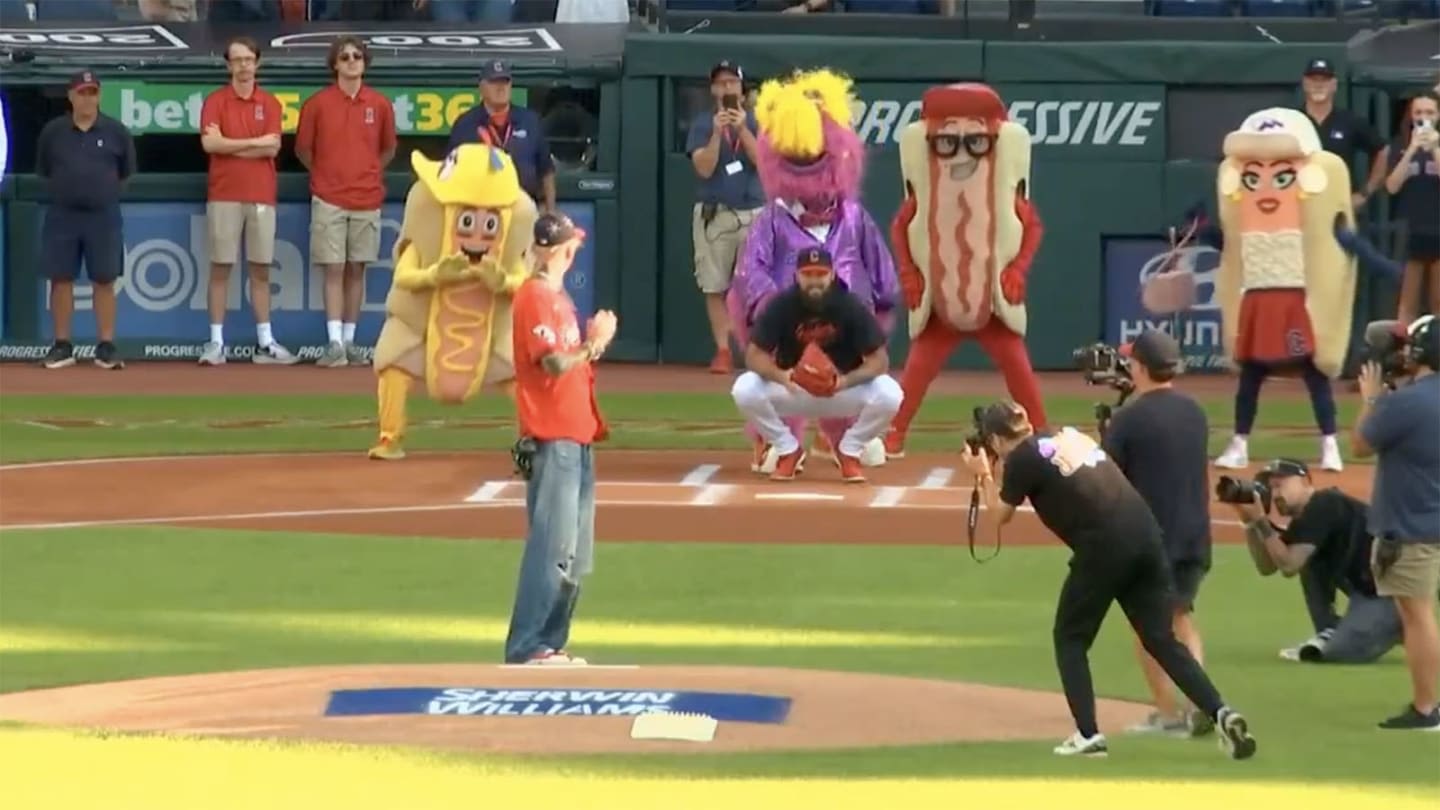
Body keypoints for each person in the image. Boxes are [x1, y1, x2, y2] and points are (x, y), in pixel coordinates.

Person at [959, 401, 1257, 760]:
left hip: (1103, 546)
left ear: (993, 438)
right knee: (1161, 638)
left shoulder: (1022, 457)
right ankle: (1221, 712)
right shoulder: (1067, 434)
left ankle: (1088, 736)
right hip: (1147, 536)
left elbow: (1000, 515)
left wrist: (982, 474)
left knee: (1070, 638)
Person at [728, 68, 897, 473]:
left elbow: (879, 264)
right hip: (789, 325)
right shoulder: (772, 218)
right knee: (773, 378)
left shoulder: (854, 216)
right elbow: (753, 268)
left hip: (846, 321)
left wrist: (881, 300)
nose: (805, 159)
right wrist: (769, 306)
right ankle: (777, 440)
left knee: (859, 375)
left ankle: (842, 439)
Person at [885, 82, 1048, 459]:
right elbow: (901, 226)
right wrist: (909, 272)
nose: (960, 150)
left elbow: (1032, 226)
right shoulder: (924, 191)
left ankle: (1042, 433)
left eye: (974, 138)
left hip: (990, 296)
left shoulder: (1005, 191)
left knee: (1017, 367)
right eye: (946, 140)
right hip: (942, 295)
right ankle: (895, 433)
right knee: (917, 371)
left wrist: (1018, 269)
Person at [503, 212, 615, 666]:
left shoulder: (558, 299)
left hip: (576, 434)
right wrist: (594, 344)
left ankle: (550, 644)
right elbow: (550, 363)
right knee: (551, 548)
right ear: (558, 250)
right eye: (571, 246)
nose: (575, 252)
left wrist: (589, 346)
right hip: (553, 438)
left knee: (573, 553)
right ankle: (528, 646)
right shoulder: (534, 297)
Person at [1099, 329, 1213, 736]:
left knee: (1148, 629)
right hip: (1194, 535)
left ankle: (1167, 714)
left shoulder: (1130, 418)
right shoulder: (1195, 411)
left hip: (1151, 540)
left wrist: (1108, 433)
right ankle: (1202, 703)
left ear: (1142, 368)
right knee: (1181, 618)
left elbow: (1108, 479)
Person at [731, 247, 902, 483]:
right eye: (808, 274)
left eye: (820, 274)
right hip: (793, 388)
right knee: (744, 388)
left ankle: (849, 451)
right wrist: (781, 376)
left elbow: (880, 360)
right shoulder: (782, 305)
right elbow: (753, 355)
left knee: (890, 393)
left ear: (831, 275)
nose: (814, 281)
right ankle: (787, 449)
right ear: (797, 275)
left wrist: (844, 381)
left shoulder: (849, 306)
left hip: (839, 391)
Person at [1351, 314, 1440, 730]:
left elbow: (1360, 444)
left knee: (1417, 616)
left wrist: (1371, 399)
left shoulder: (1404, 403)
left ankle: (1426, 708)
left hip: (1412, 524)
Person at [1233, 459, 1400, 665]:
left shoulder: (1325, 503)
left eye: (1280, 485)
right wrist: (1250, 523)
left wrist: (1261, 521)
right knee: (1307, 558)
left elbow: (1288, 566)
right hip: (1367, 591)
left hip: (1392, 594)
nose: (1274, 494)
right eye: (1270, 488)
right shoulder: (1303, 522)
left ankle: (1402, 627)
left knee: (1339, 652)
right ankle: (1331, 630)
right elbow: (1267, 567)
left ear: (1305, 481)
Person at [296, 36, 398, 368]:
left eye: (357, 56)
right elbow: (303, 150)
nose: (352, 61)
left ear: (365, 63)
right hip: (329, 197)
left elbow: (388, 149)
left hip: (367, 197)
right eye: (345, 57)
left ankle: (351, 341)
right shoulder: (317, 104)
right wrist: (326, 175)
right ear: (335, 65)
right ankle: (334, 342)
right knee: (334, 268)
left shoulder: (380, 104)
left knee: (357, 268)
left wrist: (366, 172)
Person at [198, 36, 298, 366]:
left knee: (260, 271)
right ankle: (216, 344)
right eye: (237, 60)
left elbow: (272, 148)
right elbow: (210, 145)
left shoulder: (270, 103)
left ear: (257, 63)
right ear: (228, 65)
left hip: (260, 195)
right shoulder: (215, 101)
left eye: (248, 59)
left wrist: (232, 144)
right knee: (220, 268)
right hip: (224, 194)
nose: (243, 65)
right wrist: (252, 144)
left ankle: (265, 343)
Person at [35, 70, 135, 371]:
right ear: (70, 96)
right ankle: (62, 345)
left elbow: (127, 172)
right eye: (82, 93)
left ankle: (105, 346)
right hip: (63, 214)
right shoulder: (54, 132)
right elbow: (43, 170)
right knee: (61, 278)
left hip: (102, 216)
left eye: (92, 92)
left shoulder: (116, 131)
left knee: (104, 279)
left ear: (99, 95)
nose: (87, 98)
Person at [687, 60, 764, 374]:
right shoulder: (703, 124)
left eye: (732, 83)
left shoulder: (759, 122)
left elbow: (764, 163)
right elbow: (703, 168)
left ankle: (755, 349)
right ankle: (722, 350)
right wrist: (718, 134)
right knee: (714, 285)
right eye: (720, 83)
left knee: (756, 285)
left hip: (754, 212)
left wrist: (743, 129)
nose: (726, 88)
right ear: (712, 90)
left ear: (742, 91)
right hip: (715, 214)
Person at [447, 60, 555, 213]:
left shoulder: (530, 120)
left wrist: (550, 211)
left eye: (505, 82)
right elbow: (450, 171)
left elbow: (546, 170)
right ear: (482, 88)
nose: (501, 88)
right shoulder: (465, 124)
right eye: (494, 82)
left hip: (523, 208)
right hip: (480, 211)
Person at [1380, 92, 1440, 324]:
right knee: (1406, 303)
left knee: (1438, 301)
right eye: (1418, 113)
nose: (1423, 118)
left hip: (1438, 227)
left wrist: (1434, 148)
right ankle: (1403, 353)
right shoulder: (1401, 144)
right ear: (1410, 116)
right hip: (1410, 229)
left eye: (1429, 113)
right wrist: (1413, 149)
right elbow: (1392, 186)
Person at [1298, 58, 1387, 213]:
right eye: (1313, 80)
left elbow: (1382, 149)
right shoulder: (1293, 120)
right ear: (1305, 83)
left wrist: (1365, 193)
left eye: (1324, 80)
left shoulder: (1350, 120)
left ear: (1334, 85)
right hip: (1301, 206)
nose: (1318, 85)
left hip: (1340, 207)